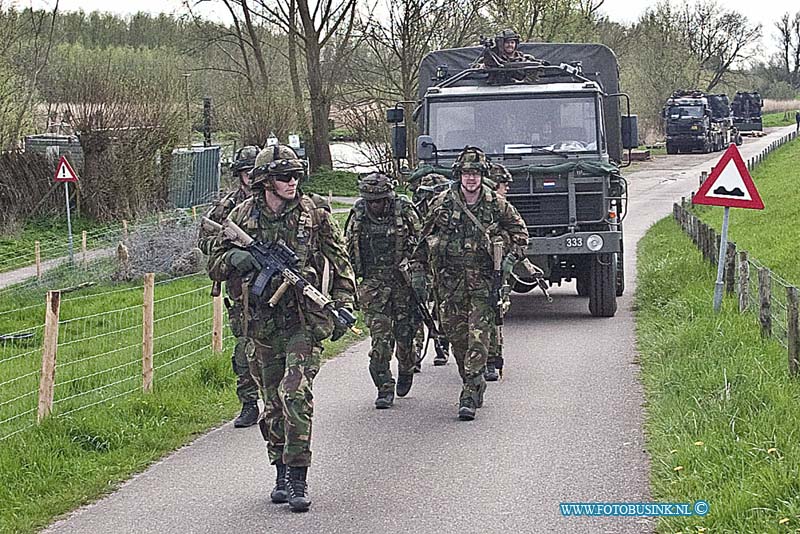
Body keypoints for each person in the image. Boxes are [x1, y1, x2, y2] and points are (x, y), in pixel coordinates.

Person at [207, 145, 356, 513]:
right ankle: (280, 469)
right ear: (264, 181)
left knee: (295, 395)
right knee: (272, 403)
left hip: (303, 321)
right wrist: (235, 258)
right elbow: (213, 261)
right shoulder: (241, 216)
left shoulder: (315, 214)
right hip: (260, 323)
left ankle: (299, 476)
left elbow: (341, 265)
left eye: (295, 175)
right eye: (283, 176)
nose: (292, 182)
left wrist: (345, 305)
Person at [415, 147, 528, 420]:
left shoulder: (495, 204)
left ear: (482, 176)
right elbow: (422, 239)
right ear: (459, 175)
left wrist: (508, 259)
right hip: (450, 286)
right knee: (458, 341)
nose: (471, 179)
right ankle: (473, 380)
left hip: (482, 285)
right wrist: (419, 271)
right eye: (466, 173)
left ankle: (468, 393)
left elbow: (521, 234)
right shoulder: (442, 203)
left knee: (478, 339)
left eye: (475, 173)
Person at [345, 173, 422, 408]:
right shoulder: (358, 214)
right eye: (370, 200)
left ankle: (406, 367)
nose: (375, 205)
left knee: (406, 336)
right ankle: (384, 386)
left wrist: (417, 274)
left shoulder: (404, 210)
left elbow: (422, 243)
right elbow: (347, 249)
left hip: (403, 284)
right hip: (374, 286)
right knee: (380, 339)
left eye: (379, 200)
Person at [198, 145, 261, 428]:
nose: (250, 177)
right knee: (243, 349)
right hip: (241, 289)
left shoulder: (270, 200)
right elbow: (204, 241)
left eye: (254, 171)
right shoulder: (226, 207)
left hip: (274, 286)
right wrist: (230, 251)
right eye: (246, 172)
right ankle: (248, 403)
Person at [410, 172, 452, 368]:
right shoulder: (414, 212)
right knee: (417, 304)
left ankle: (442, 344)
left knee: (443, 306)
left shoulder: (450, 212)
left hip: (443, 265)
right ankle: (416, 350)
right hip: (420, 263)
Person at [484, 162, 515, 381]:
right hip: (477, 270)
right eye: (504, 184)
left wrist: (509, 260)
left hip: (497, 269)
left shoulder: (502, 208)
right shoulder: (486, 206)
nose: (507, 189)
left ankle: (492, 360)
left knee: (494, 313)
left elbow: (518, 235)